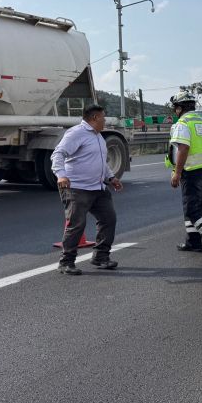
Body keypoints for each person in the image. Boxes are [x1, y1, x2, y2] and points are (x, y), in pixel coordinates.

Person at [51, 104, 123, 275]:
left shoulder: (98, 136)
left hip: (98, 187)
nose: (105, 121)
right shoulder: (76, 133)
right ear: (95, 118)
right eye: (103, 118)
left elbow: (100, 161)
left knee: (108, 219)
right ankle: (66, 262)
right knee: (76, 225)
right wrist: (61, 175)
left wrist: (111, 178)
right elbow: (58, 154)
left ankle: (100, 256)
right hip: (77, 188)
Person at [167, 91, 202, 258]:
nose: (175, 111)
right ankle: (193, 242)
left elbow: (183, 148)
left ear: (179, 108)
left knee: (192, 209)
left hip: (191, 171)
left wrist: (177, 172)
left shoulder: (183, 124)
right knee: (198, 206)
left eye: (175, 108)